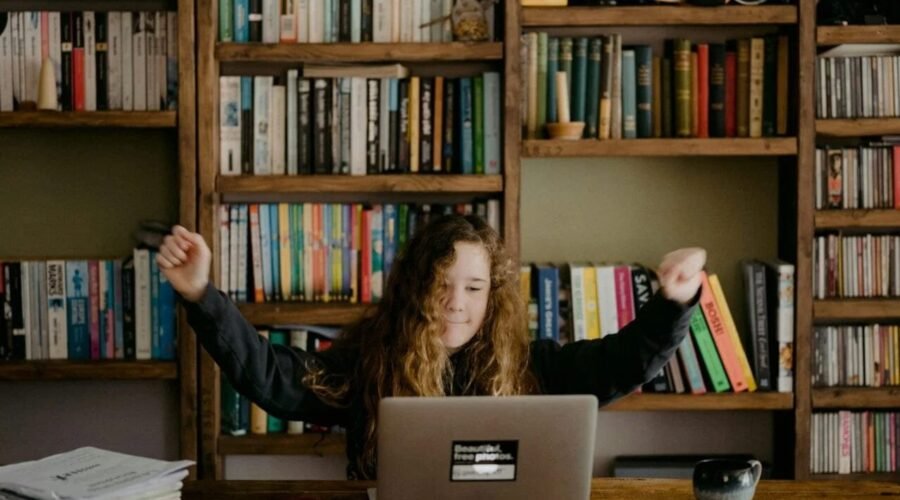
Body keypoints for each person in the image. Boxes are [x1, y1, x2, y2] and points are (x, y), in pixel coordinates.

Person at [158, 214, 706, 479]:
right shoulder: (372, 362)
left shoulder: (532, 365)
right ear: (415, 288)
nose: (455, 303)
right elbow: (272, 378)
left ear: (492, 296)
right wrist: (201, 295)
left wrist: (673, 303)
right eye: (439, 285)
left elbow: (619, 364)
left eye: (473, 288)